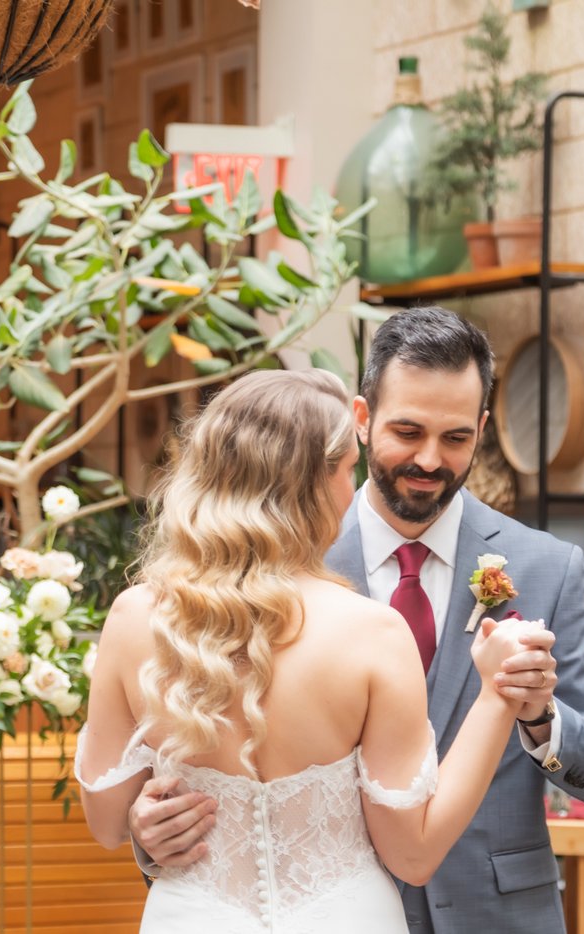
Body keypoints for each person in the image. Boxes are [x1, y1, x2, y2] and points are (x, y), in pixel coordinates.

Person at [127, 306, 584, 932]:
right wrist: (151, 834)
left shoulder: (548, 567)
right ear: (361, 420)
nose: (429, 460)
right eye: (407, 431)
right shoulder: (274, 566)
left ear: (482, 429)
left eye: (455, 438)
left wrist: (538, 716)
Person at [76, 367, 538, 933]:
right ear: (312, 483)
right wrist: (497, 693)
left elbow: (104, 823)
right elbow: (413, 856)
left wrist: (143, 823)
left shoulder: (134, 619)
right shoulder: (373, 634)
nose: (353, 491)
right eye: (349, 471)